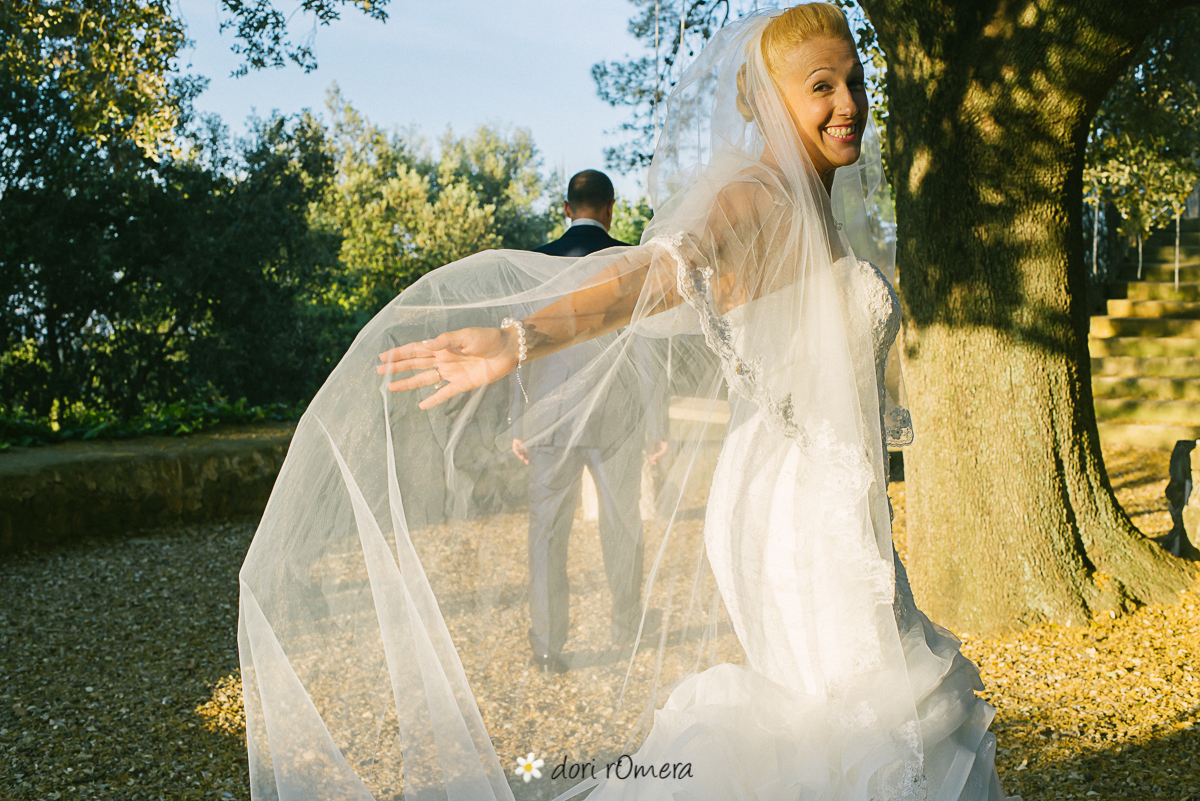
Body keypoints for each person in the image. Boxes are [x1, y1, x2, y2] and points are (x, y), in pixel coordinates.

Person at [238, 5, 1018, 800]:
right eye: (821, 85)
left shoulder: (818, 208)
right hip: (798, 511)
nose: (847, 103)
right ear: (769, 98)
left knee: (845, 710)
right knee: (866, 716)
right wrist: (519, 338)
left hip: (825, 492)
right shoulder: (758, 195)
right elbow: (661, 273)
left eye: (854, 81)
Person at [515, 169, 669, 674]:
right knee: (622, 524)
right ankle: (626, 629)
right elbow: (648, 347)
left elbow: (521, 346)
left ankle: (547, 645)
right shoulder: (629, 260)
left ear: (566, 208)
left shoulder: (534, 264)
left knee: (545, 533)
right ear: (609, 209)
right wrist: (656, 424)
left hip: (549, 419)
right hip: (617, 416)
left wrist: (521, 419)